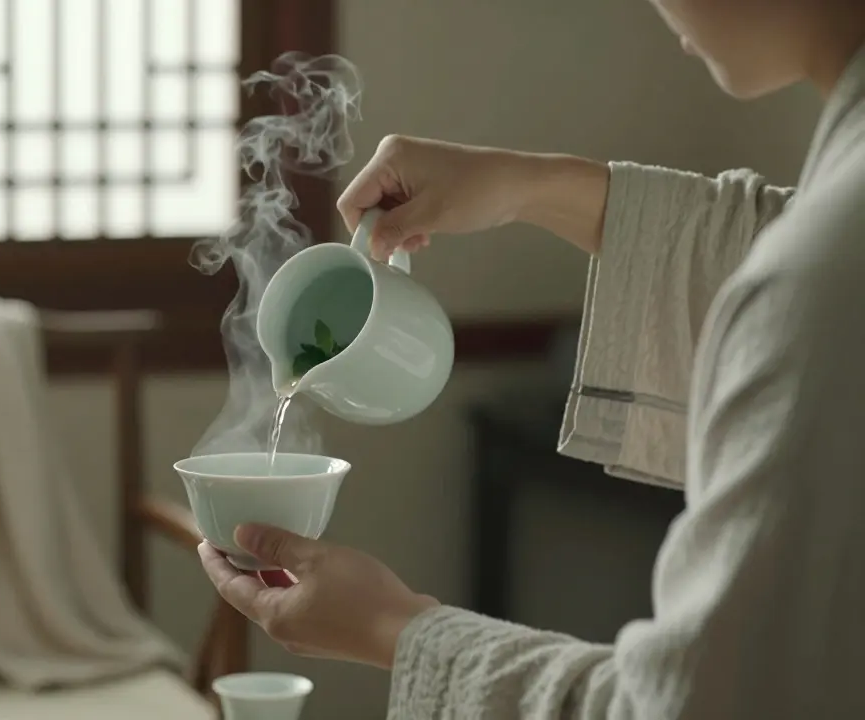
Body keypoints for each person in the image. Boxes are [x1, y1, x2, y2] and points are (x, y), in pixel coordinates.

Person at [199, 1, 865, 717]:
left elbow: (697, 705)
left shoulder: (824, 275)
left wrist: (397, 629)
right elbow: (783, 239)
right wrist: (527, 185)